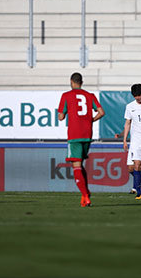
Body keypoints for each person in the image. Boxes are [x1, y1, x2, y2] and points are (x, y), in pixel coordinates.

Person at [58, 73, 105, 207]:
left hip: (74, 135)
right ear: (81, 82)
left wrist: (63, 113)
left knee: (76, 165)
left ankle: (85, 194)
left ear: (71, 81)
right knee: (80, 164)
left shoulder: (66, 96)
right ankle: (85, 194)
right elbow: (101, 112)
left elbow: (61, 117)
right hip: (87, 134)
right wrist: (90, 120)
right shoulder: (90, 96)